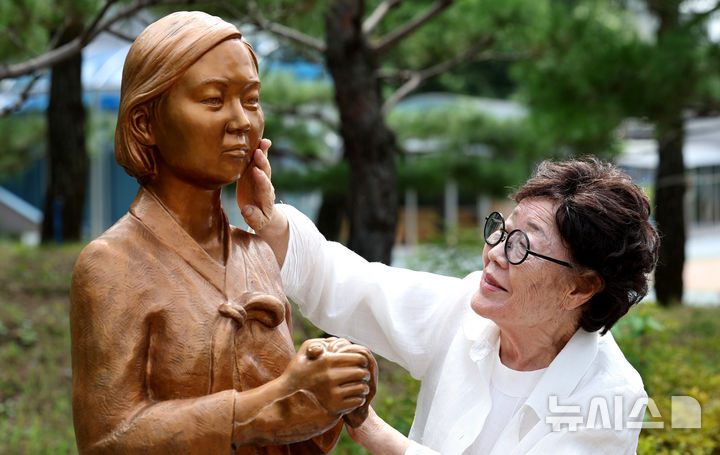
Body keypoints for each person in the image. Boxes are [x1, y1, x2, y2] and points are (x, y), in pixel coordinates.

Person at [70, 11, 376, 455]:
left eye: (250, 100)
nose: (241, 121)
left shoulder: (257, 254)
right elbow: (107, 440)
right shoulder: (112, 264)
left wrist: (332, 389)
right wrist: (269, 406)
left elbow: (292, 433)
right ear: (145, 123)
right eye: (214, 100)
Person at [240, 155, 660, 454]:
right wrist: (270, 220)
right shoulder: (466, 311)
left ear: (581, 288)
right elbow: (352, 285)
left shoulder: (610, 396)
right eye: (501, 230)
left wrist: (372, 431)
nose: (495, 251)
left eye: (521, 246)